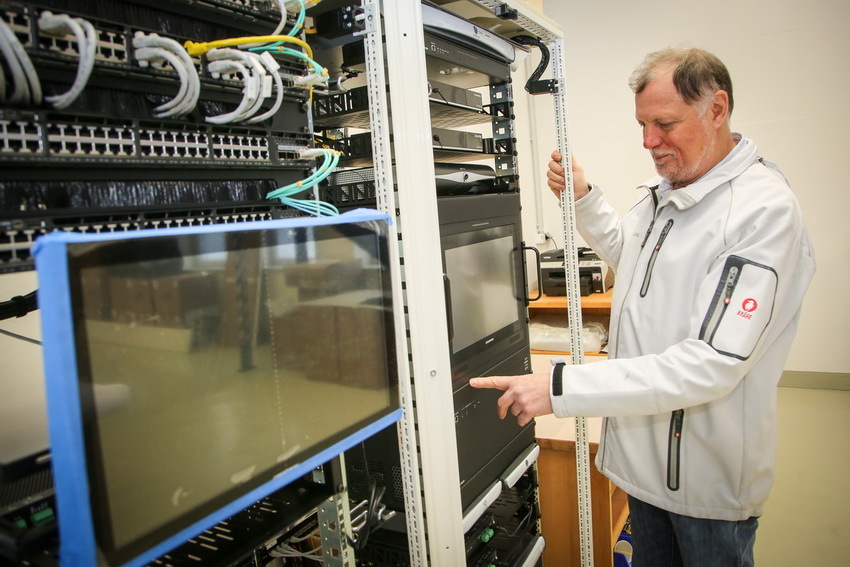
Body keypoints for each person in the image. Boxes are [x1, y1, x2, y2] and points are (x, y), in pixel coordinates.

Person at [469, 47, 815, 566]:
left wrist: (561, 387)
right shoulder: (668, 192)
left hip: (704, 483)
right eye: (642, 124)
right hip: (642, 465)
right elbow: (633, 259)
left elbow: (713, 363)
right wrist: (583, 199)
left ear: (717, 110)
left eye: (665, 123)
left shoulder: (761, 212)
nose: (649, 141)